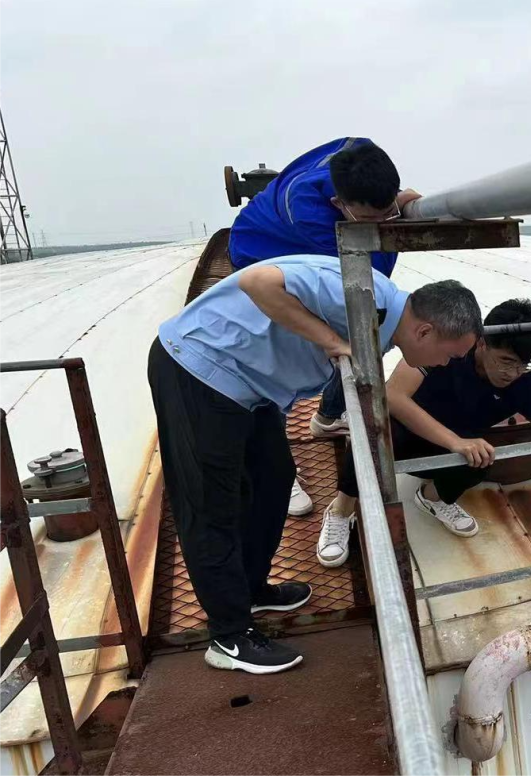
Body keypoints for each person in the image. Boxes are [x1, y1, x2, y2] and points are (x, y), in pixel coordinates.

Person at [149, 254, 480, 674]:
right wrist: (332, 342)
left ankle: (251, 589)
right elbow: (258, 282)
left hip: (250, 388)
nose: (445, 365)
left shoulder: (382, 323)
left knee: (273, 482)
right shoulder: (361, 295)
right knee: (212, 505)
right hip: (200, 370)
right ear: (425, 331)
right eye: (450, 355)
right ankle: (229, 636)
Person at [317, 299, 531, 566]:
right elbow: (393, 397)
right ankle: (341, 510)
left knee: (484, 457)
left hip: (450, 449)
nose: (511, 373)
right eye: (505, 361)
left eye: (522, 365)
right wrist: (456, 442)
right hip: (404, 434)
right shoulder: (448, 349)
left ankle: (432, 498)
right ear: (481, 343)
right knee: (370, 430)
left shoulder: (524, 383)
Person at [228, 138, 423, 518]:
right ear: (339, 205)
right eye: (369, 220)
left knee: (355, 336)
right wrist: (397, 213)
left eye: (387, 212)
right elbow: (371, 276)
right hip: (261, 254)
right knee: (272, 360)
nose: (383, 224)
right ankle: (277, 470)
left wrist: (396, 207)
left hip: (299, 244)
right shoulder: (309, 215)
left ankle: (328, 416)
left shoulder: (361, 153)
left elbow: (376, 239)